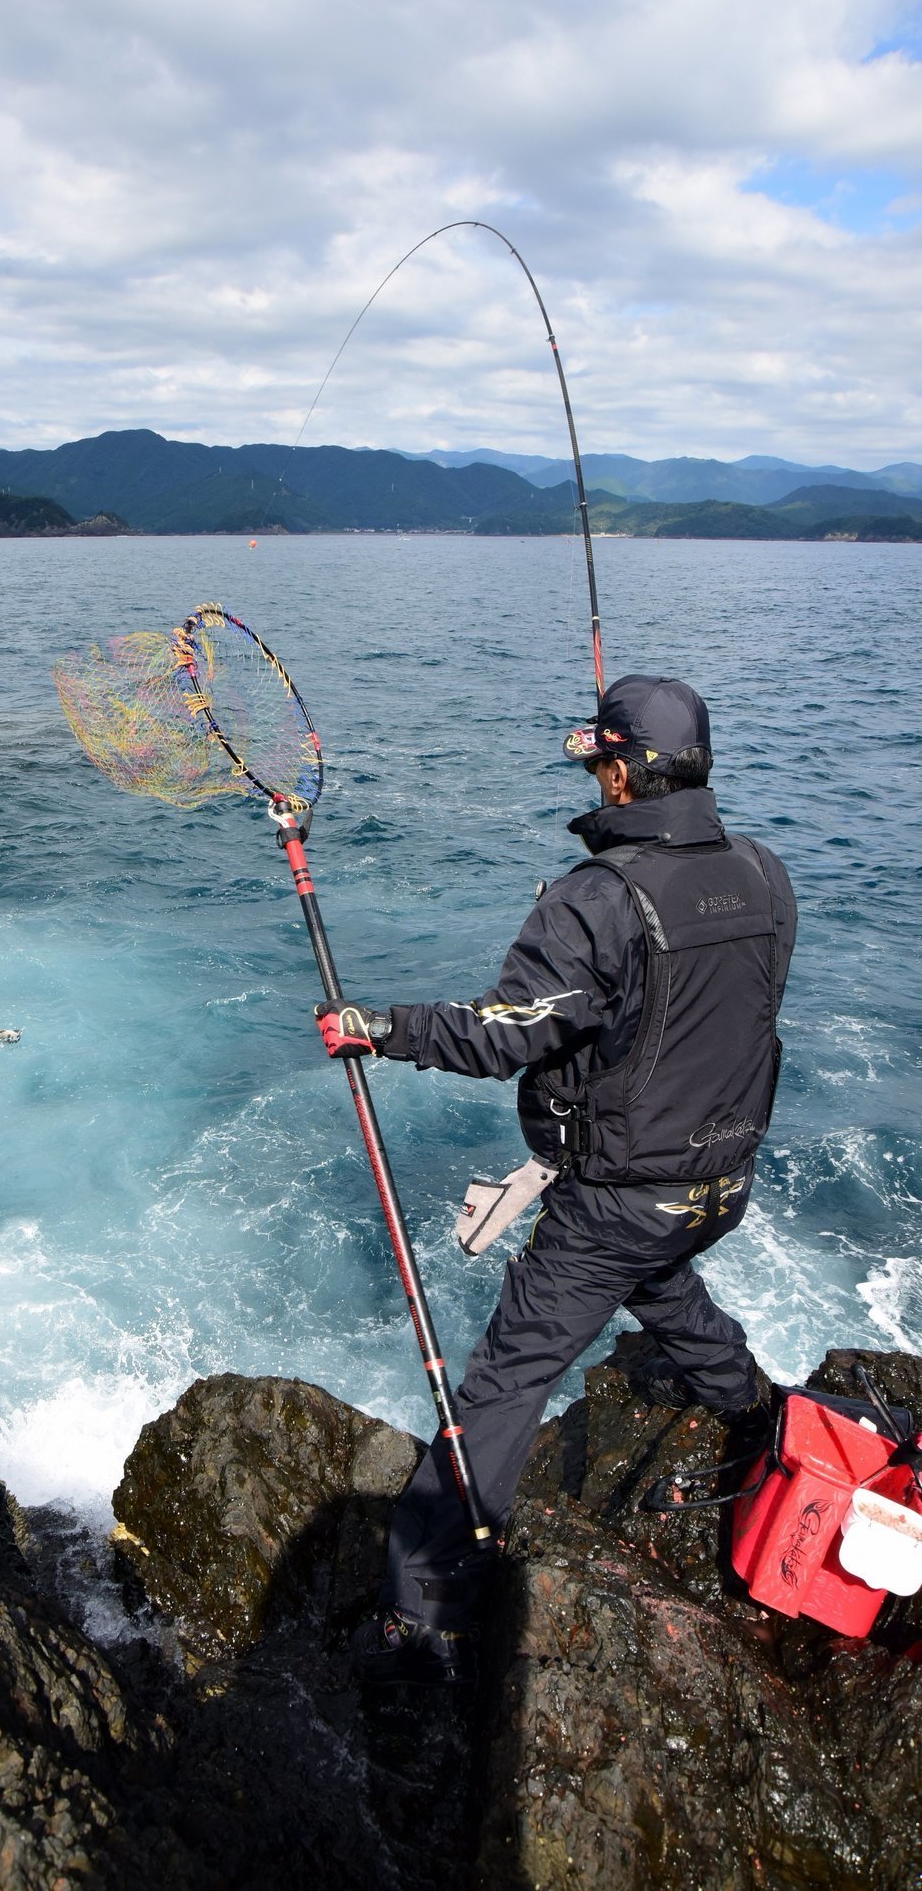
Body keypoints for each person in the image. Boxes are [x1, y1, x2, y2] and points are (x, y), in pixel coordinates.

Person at [314, 674, 797, 1685]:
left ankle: (416, 1612)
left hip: (618, 1199)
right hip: (720, 1180)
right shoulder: (762, 873)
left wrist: (377, 1028)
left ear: (619, 770)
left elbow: (505, 1036)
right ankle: (749, 1408)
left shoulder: (595, 901)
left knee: (500, 1387)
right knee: (658, 1273)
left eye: (598, 761)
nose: (594, 776)